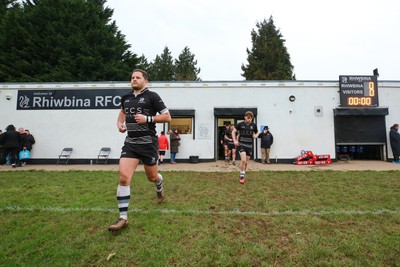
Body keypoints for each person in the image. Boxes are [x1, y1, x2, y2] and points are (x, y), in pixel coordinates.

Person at [108, 69, 171, 232]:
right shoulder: (126, 98)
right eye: (132, 77)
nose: (134, 79)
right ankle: (123, 218)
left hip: (148, 143)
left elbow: (167, 117)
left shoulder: (153, 97)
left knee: (152, 177)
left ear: (145, 81)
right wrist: (119, 124)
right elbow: (122, 112)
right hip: (130, 143)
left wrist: (147, 119)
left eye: (137, 77)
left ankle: (159, 184)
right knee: (123, 178)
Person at [232, 111, 258, 184]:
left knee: (246, 162)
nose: (249, 119)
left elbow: (257, 133)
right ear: (245, 117)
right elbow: (233, 131)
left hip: (249, 145)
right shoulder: (240, 124)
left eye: (251, 118)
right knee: (243, 160)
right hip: (242, 144)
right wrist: (235, 140)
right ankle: (241, 176)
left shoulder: (254, 125)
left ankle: (243, 173)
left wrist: (255, 136)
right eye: (248, 118)